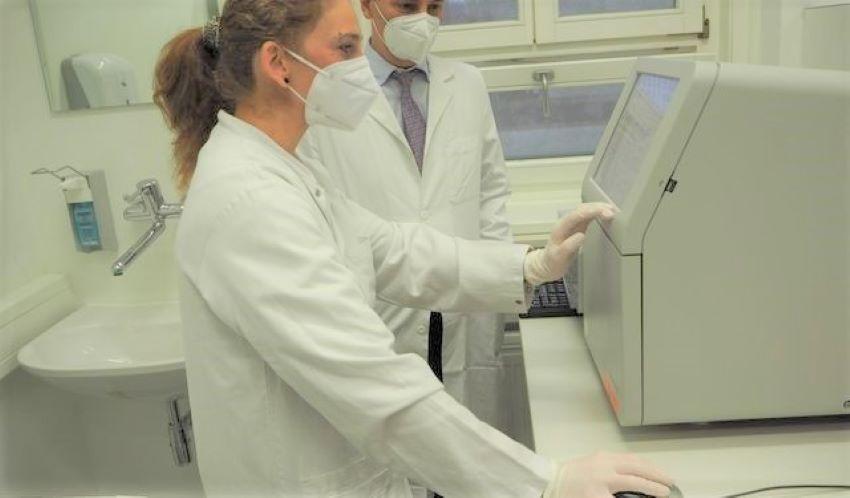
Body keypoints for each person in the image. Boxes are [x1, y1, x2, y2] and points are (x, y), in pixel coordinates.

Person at [153, 0, 675, 496]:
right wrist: (543, 483)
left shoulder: (284, 169)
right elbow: (375, 388)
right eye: (345, 48)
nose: (360, 68)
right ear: (278, 63)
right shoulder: (250, 201)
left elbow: (394, 249)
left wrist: (529, 264)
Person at [297, 0, 518, 445]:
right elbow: (320, 213)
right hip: (381, 313)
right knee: (398, 453)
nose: (423, 18)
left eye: (434, 6)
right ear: (367, 6)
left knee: (472, 451)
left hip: (466, 311)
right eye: (405, 4)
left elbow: (491, 192)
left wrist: (498, 280)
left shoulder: (467, 84)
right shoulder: (331, 95)